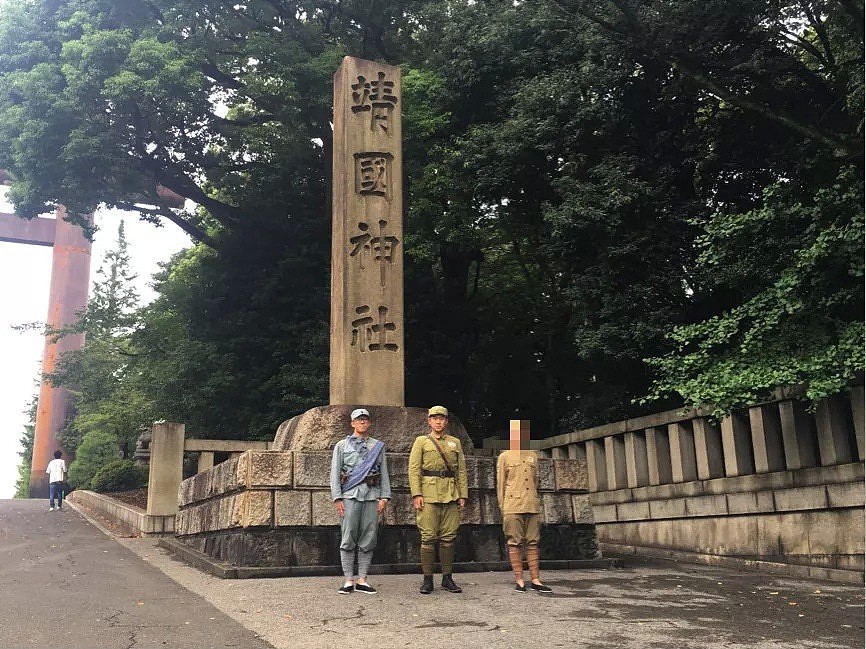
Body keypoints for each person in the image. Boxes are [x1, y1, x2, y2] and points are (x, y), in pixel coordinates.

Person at [408, 405, 468, 594]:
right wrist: (417, 494)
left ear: (446, 421)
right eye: (434, 418)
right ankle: (427, 579)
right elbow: (414, 469)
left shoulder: (455, 442)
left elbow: (461, 470)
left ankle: (447, 578)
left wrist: (462, 494)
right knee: (428, 537)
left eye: (441, 418)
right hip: (429, 494)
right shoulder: (421, 441)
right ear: (429, 421)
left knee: (449, 537)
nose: (438, 421)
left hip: (450, 494)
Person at [330, 408, 391, 594]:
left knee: (369, 537)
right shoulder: (342, 446)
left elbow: (384, 473)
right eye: (359, 420)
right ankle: (348, 579)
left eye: (365, 420)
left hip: (372, 495)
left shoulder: (378, 446)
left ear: (369, 423)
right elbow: (335, 472)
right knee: (348, 537)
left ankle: (363, 579)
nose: (362, 422)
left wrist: (384, 496)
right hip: (349, 495)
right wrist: (337, 497)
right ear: (352, 423)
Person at [496, 419, 552, 593]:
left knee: (534, 542)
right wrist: (503, 507)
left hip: (531, 504)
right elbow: (500, 484)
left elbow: (536, 481)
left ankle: (535, 579)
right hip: (513, 505)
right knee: (515, 542)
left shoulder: (533, 455)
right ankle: (519, 579)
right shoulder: (505, 456)